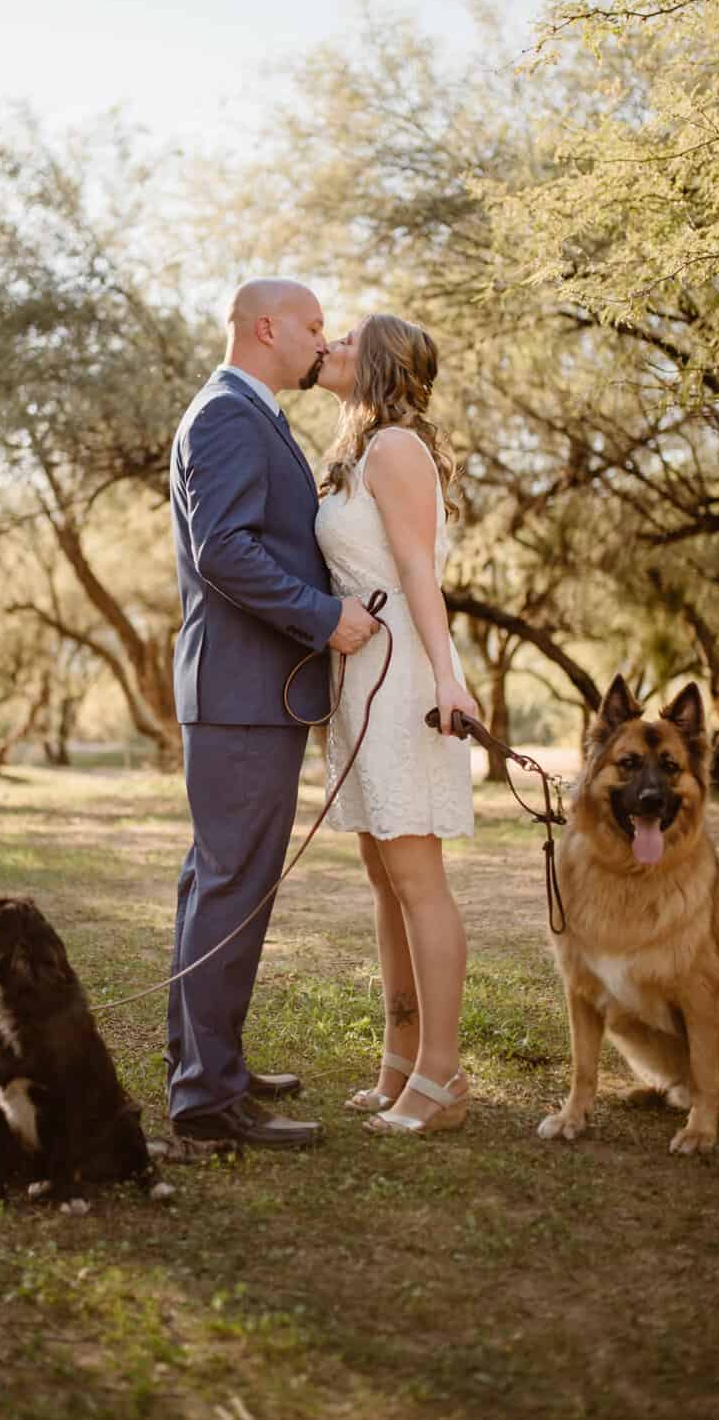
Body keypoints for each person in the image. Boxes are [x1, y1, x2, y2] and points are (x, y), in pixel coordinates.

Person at [167, 278, 380, 1150]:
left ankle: (208, 1067)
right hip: (241, 697)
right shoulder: (224, 415)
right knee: (230, 888)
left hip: (250, 696)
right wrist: (326, 617)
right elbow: (226, 551)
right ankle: (208, 1104)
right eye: (313, 325)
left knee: (222, 888)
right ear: (267, 326)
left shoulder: (245, 413)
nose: (321, 340)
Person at [314, 314, 478, 1135]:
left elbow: (418, 568)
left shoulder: (397, 451)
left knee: (418, 879)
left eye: (343, 339)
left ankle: (441, 1078)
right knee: (385, 879)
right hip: (359, 680)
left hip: (405, 676)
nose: (328, 348)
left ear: (373, 361)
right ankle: (398, 1060)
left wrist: (448, 678)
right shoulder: (355, 453)